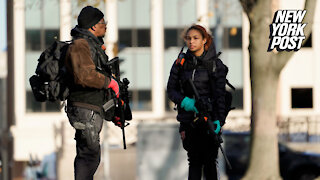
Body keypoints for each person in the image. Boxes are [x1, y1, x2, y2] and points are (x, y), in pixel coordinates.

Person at [64, 6, 120, 180]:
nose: (106, 26)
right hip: (84, 107)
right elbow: (85, 75)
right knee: (88, 156)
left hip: (91, 107)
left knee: (90, 155)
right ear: (93, 26)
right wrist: (109, 82)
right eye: (103, 22)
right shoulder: (81, 44)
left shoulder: (90, 44)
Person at [167, 24, 227, 180]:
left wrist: (219, 121)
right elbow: (171, 90)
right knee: (194, 162)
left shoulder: (216, 65)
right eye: (188, 38)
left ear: (204, 40)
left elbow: (220, 96)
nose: (191, 42)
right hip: (188, 121)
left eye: (195, 38)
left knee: (209, 163)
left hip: (209, 120)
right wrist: (187, 102)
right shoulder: (180, 64)